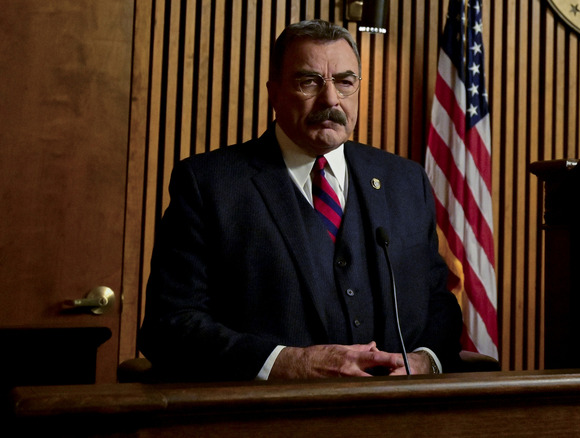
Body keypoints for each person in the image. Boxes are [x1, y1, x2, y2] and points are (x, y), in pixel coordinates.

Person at [139, 19, 464, 381]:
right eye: (308, 81)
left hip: (398, 418)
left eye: (345, 82)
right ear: (274, 92)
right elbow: (169, 326)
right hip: (269, 419)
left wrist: (424, 360)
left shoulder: (405, 181)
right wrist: (290, 364)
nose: (330, 99)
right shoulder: (209, 184)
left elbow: (439, 304)